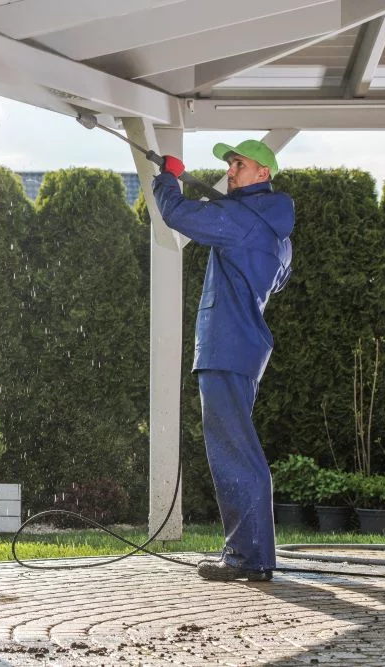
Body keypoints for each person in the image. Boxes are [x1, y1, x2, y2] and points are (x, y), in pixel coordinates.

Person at [152, 140, 294, 582]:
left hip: (225, 346)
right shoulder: (276, 236)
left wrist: (167, 178)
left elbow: (177, 214)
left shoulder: (240, 222)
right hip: (243, 349)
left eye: (239, 165)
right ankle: (249, 555)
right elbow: (279, 277)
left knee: (235, 451)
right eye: (230, 164)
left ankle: (248, 558)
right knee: (237, 447)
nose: (231, 171)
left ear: (263, 174)